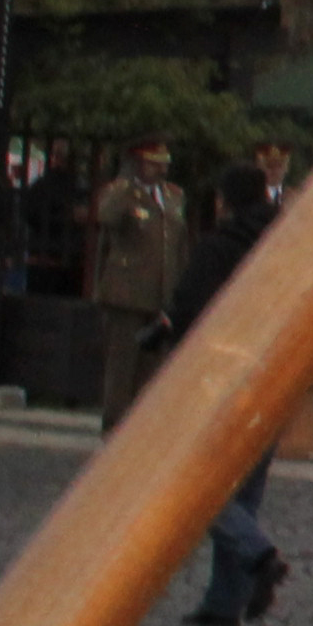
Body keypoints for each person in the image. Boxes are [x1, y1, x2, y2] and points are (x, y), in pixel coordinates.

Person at [173, 167, 292, 626]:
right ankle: (226, 602)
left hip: (224, 380)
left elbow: (191, 310)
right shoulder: (288, 244)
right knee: (245, 492)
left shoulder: (217, 248)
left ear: (224, 201)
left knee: (202, 487)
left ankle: (258, 555)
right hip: (277, 374)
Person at [87, 135, 188, 427]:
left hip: (161, 295)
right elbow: (106, 217)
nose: (161, 170)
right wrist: (127, 182)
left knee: (152, 369)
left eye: (163, 164)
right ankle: (114, 428)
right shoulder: (121, 193)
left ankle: (140, 428)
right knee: (122, 368)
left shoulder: (173, 195)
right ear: (138, 164)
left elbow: (178, 245)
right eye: (153, 164)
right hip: (126, 295)